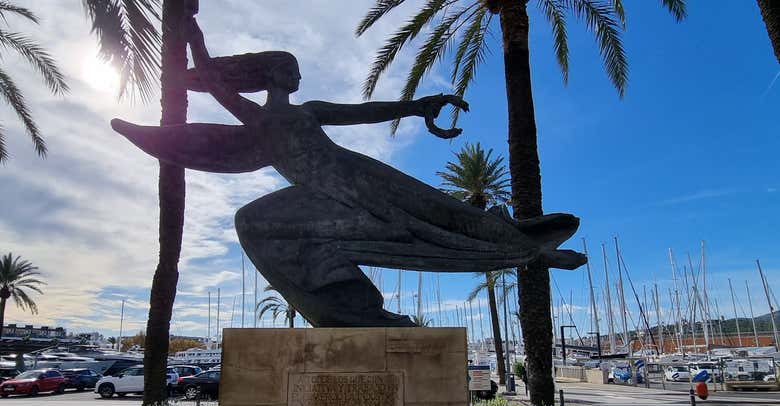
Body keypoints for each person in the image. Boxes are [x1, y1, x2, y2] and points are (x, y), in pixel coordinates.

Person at [112, 15, 586, 327]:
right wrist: (193, 39)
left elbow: (365, 112)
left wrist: (417, 105)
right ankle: (344, 296)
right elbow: (215, 84)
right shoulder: (258, 120)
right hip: (325, 198)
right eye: (289, 69)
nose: (296, 76)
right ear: (273, 75)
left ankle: (529, 246)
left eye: (296, 70)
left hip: (357, 178)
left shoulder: (309, 110)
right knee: (251, 223)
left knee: (437, 211)